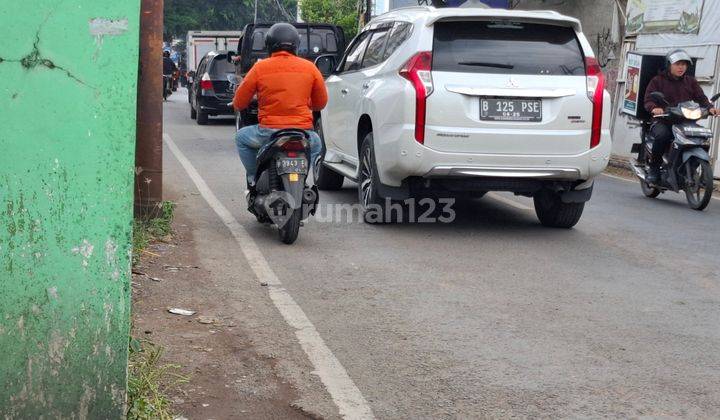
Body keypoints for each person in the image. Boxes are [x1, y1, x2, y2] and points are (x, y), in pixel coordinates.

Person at [232, 23, 327, 190]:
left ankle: (254, 176)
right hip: (302, 133)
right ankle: (302, 176)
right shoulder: (310, 68)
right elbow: (321, 103)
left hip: (269, 133)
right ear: (296, 45)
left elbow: (239, 102)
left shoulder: (260, 67)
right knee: (317, 143)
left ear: (269, 45)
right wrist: (307, 103)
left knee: (241, 137)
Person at [643, 49, 717, 183]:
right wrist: (655, 108)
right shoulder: (658, 80)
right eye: (677, 64)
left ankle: (694, 168)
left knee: (702, 136)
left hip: (685, 120)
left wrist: (710, 108)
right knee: (662, 135)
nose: (681, 67)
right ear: (669, 65)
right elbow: (648, 100)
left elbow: (701, 98)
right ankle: (654, 168)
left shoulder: (690, 81)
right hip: (663, 120)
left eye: (684, 64)